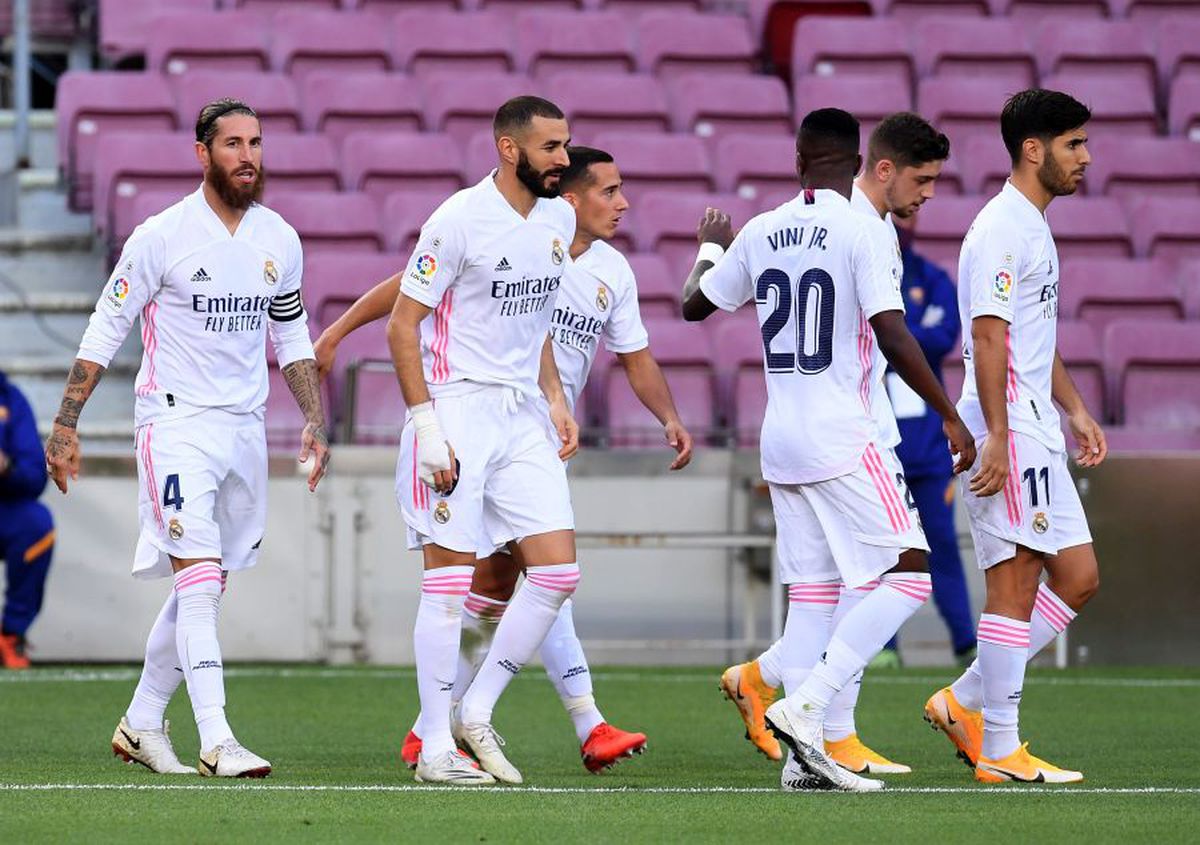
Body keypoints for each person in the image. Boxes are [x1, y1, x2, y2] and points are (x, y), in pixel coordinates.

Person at [314, 146, 693, 774]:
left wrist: (583, 404)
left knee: (517, 580)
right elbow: (408, 289)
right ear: (570, 198)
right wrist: (337, 331)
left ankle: (441, 725)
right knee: (501, 578)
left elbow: (629, 354)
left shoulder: (610, 271)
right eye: (610, 191)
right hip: (471, 419)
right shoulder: (492, 229)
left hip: (532, 433)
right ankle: (576, 719)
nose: (624, 204)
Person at [682, 107, 975, 792]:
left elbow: (697, 305)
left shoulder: (760, 228)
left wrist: (708, 247)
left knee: (814, 597)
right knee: (909, 575)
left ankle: (803, 762)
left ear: (797, 159)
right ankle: (808, 709)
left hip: (780, 439)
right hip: (845, 433)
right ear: (858, 162)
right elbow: (894, 332)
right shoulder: (862, 228)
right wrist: (948, 415)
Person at [43, 99, 330, 778]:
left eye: (255, 142)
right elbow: (105, 327)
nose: (248, 155)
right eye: (232, 143)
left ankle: (142, 720)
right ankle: (218, 737)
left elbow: (289, 333)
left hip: (244, 428)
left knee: (206, 583)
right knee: (198, 580)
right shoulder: (161, 236)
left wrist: (314, 417)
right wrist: (64, 422)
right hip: (174, 424)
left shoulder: (279, 240)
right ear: (203, 154)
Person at [385, 96, 588, 786]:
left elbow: (536, 326)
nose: (565, 159)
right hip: (458, 411)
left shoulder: (559, 217)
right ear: (510, 149)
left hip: (521, 414)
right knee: (447, 586)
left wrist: (556, 400)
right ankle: (435, 746)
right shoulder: (458, 220)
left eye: (566, 145)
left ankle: (475, 709)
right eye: (552, 147)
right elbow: (401, 324)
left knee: (557, 573)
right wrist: (428, 428)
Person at [923, 88, 1103, 785]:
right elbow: (989, 334)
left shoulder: (1032, 225)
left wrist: (1076, 408)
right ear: (1034, 149)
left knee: (1079, 575)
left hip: (1032, 423)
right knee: (1016, 581)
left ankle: (965, 698)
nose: (1084, 157)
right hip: (1008, 426)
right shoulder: (1002, 226)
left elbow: (1030, 336)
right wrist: (996, 433)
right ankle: (999, 747)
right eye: (1073, 144)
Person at [891, 218, 977, 664]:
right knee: (883, 549)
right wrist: (905, 331)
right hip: (880, 449)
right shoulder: (866, 265)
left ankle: (964, 640)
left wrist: (893, 331)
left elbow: (945, 338)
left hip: (927, 448)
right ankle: (883, 648)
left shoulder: (932, 278)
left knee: (940, 542)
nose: (905, 223)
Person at [0, 369, 55, 669]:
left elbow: (35, 479)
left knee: (36, 524)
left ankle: (11, 633)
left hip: (4, 505)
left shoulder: (10, 398)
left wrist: (6, 466)